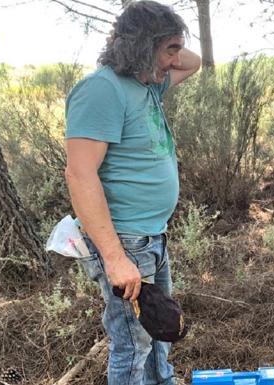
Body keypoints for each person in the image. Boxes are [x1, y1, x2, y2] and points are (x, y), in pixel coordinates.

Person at [64, 1, 200, 384]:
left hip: (151, 237)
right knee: (132, 347)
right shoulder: (101, 90)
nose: (176, 60)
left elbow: (195, 61)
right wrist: (115, 258)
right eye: (170, 49)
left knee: (160, 331)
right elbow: (79, 175)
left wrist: (166, 43)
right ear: (143, 46)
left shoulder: (148, 81)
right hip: (125, 243)